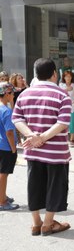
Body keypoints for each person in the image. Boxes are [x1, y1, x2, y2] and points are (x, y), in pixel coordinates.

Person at [12, 58, 72, 236]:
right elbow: (63, 123)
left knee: (34, 185)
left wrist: (31, 136)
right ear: (55, 73)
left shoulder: (24, 94)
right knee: (55, 186)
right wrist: (43, 137)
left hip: (33, 150)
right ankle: (48, 224)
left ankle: (36, 223)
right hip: (56, 153)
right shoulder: (62, 95)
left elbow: (17, 119)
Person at [0, 82, 19, 211]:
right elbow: (9, 132)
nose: (13, 95)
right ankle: (2, 201)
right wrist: (13, 149)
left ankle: (2, 196)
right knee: (3, 174)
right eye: (12, 93)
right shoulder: (6, 111)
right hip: (6, 147)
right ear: (7, 94)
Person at [59, 70, 74, 147]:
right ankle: (63, 139)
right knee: (63, 123)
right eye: (66, 76)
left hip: (72, 107)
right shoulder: (61, 85)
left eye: (69, 76)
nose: (68, 78)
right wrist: (66, 90)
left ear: (71, 77)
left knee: (72, 123)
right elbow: (59, 95)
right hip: (63, 107)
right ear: (63, 77)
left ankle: (72, 139)